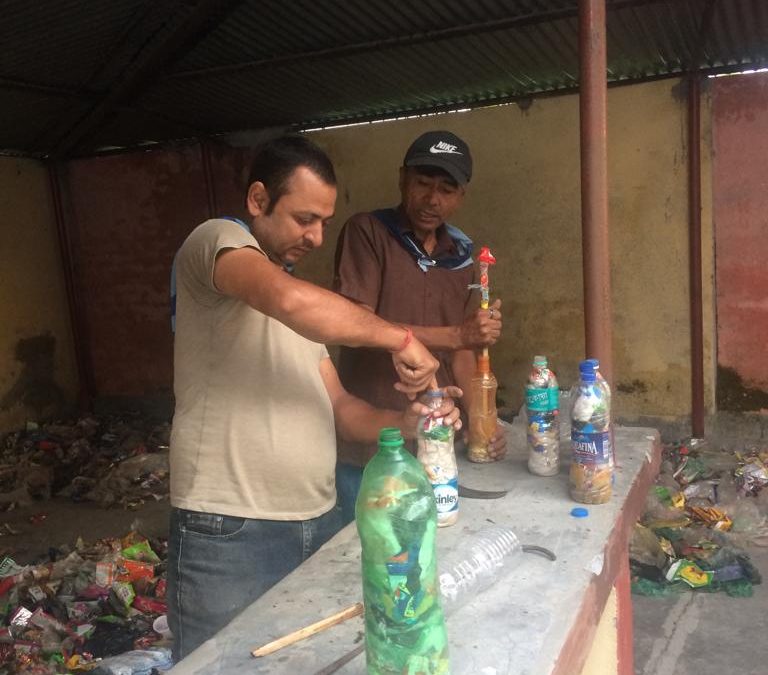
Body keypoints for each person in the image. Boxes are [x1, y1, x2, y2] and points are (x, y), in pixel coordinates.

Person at [167, 135, 461, 661]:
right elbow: (287, 299)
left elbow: (345, 413)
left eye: (324, 221)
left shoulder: (299, 304)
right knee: (220, 666)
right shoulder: (217, 242)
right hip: (232, 529)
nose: (318, 236)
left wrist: (413, 423)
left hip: (316, 520)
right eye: (305, 218)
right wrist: (402, 337)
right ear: (258, 200)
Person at [332, 130, 507, 523]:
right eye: (423, 184)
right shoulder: (368, 233)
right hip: (373, 443)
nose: (433, 199)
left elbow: (462, 353)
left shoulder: (462, 256)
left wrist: (483, 421)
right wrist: (458, 334)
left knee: (431, 555)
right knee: (366, 558)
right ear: (402, 179)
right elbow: (352, 323)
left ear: (461, 195)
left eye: (447, 189)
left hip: (439, 441)